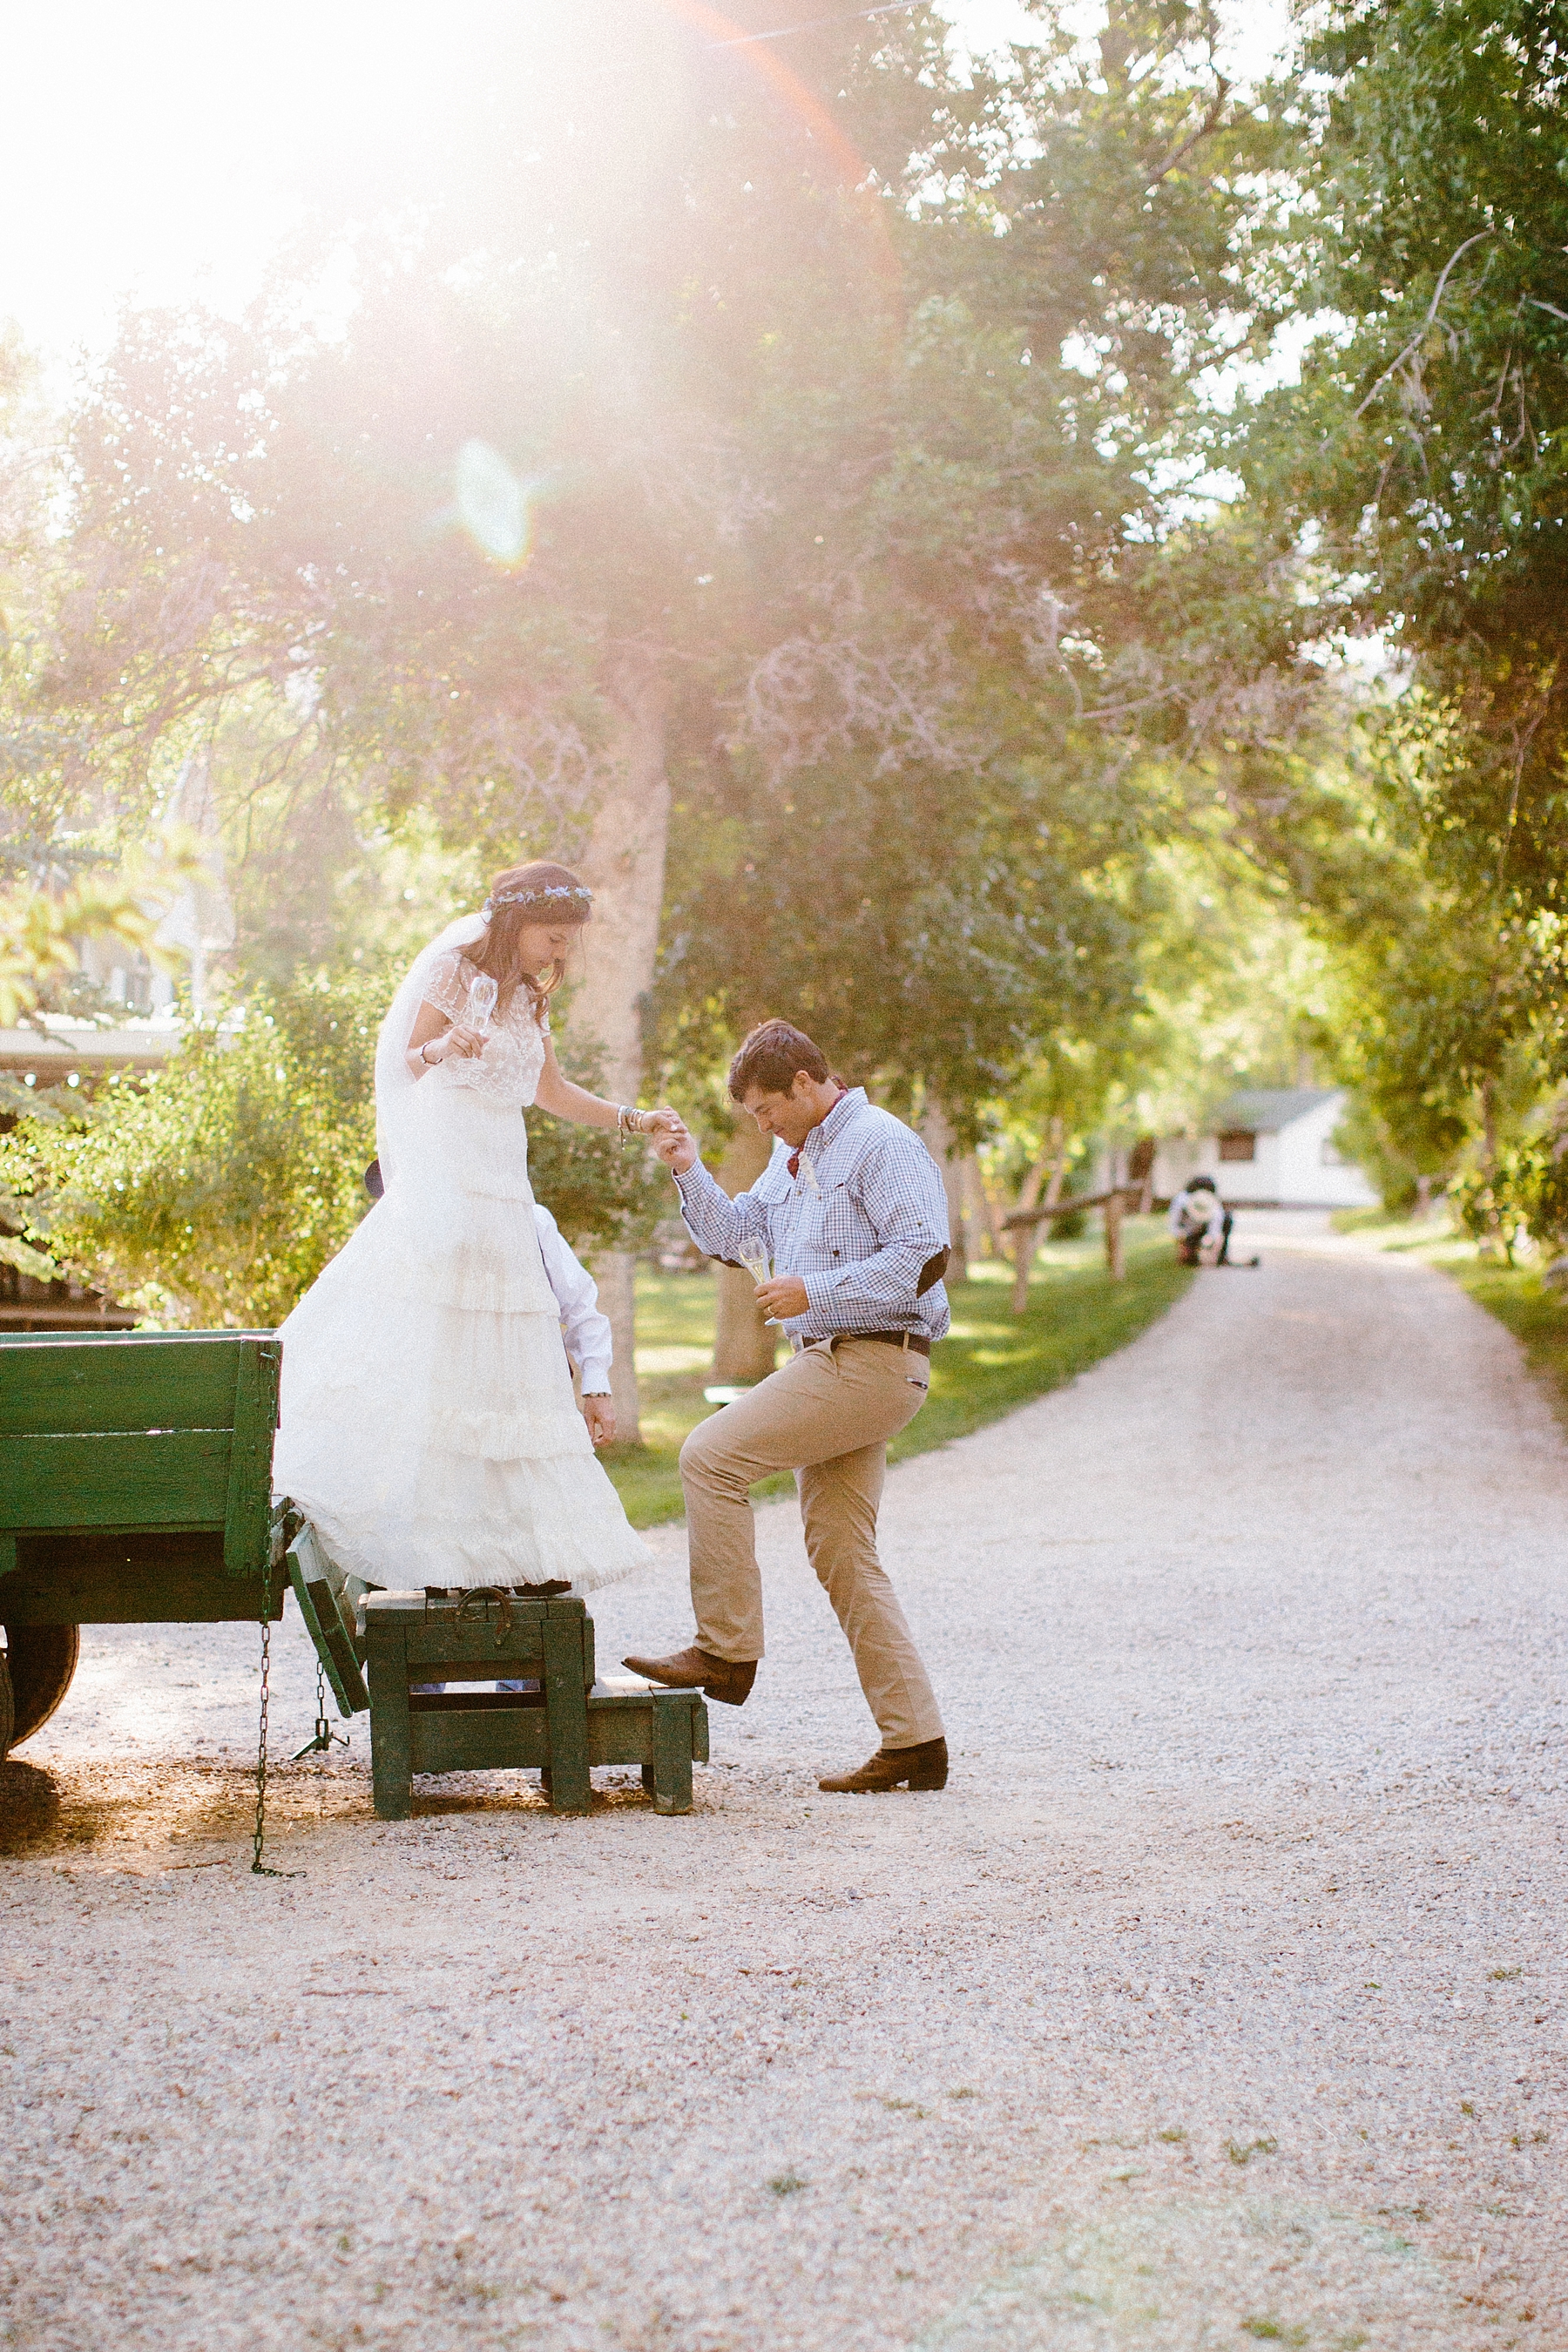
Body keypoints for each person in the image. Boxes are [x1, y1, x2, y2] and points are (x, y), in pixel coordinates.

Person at [274, 859, 674, 1593]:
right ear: (517, 925)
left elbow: (549, 1090)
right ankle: (438, 1548)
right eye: (553, 938)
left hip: (502, 1176)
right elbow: (408, 1060)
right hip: (450, 1169)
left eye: (566, 942)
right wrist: (448, 1047)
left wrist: (631, 1119)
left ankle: (501, 1549)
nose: (561, 954)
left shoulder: (528, 998)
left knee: (505, 1354)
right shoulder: (456, 972)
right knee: (446, 1343)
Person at [624, 1018, 951, 1795]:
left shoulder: (880, 1142)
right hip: (840, 1361)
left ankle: (726, 1651)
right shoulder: (793, 1157)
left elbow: (926, 1254)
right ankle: (917, 1742)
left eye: (768, 1109)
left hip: (872, 1359)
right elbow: (737, 1237)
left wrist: (817, 1291)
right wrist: (688, 1170)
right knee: (841, 1548)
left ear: (806, 1084)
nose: (763, 1125)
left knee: (709, 1455)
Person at [1169, 1173, 1233, 1266]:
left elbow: (1215, 1232)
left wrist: (1208, 1244)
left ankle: (1221, 1258)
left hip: (1203, 1230)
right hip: (1187, 1233)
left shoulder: (1214, 1207)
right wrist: (1182, 1242)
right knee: (1188, 1260)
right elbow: (1174, 1226)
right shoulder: (1181, 1201)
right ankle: (1191, 1254)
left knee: (1227, 1219)